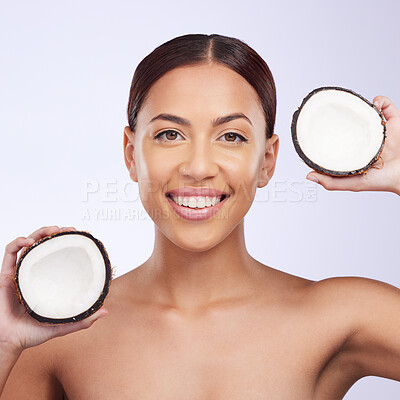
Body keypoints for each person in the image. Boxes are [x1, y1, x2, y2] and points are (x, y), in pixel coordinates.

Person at [1, 33, 399, 399]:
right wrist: (3, 346)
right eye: (169, 134)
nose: (198, 167)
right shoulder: (54, 335)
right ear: (130, 154)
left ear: (267, 160)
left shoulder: (339, 316)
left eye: (231, 137)